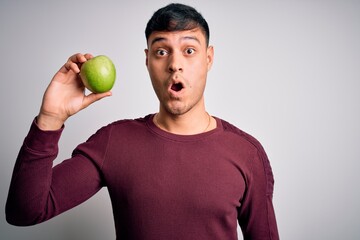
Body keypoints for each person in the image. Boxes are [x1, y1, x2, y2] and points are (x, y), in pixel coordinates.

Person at [6, 3, 279, 240]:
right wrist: (49, 120)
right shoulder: (115, 141)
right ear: (147, 60)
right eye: (161, 52)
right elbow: (25, 211)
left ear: (208, 58)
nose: (175, 64)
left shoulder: (247, 153)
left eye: (189, 50)